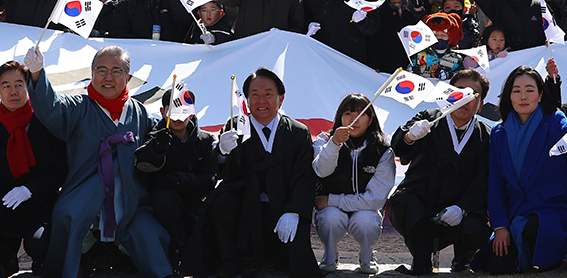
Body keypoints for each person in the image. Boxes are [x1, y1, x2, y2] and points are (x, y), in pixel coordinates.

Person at [24, 43, 172, 278]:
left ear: (128, 76)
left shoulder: (140, 113)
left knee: (149, 233)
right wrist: (37, 73)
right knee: (68, 216)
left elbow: (162, 140)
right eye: (101, 70)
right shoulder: (77, 107)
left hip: (130, 196)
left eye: (116, 70)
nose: (108, 77)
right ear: (92, 74)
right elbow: (50, 107)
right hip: (84, 190)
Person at [194, 68, 321, 278]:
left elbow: (303, 177)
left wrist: (294, 211)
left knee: (293, 264)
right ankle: (229, 260)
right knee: (220, 199)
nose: (261, 100)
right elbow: (226, 175)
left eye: (268, 94)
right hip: (245, 207)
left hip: (283, 208)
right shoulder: (235, 126)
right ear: (247, 99)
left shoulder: (298, 132)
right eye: (254, 94)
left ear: (280, 99)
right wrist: (222, 153)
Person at [0, 60, 67, 278]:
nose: (13, 91)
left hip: (38, 202)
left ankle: (43, 265)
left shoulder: (45, 120)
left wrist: (30, 190)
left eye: (19, 84)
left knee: (39, 245)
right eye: (6, 86)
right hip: (3, 201)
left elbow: (59, 169)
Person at [388, 69, 491, 276]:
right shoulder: (428, 119)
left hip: (460, 208)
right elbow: (399, 146)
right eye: (459, 90)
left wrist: (462, 208)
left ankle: (463, 261)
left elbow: (485, 179)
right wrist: (410, 136)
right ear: (447, 94)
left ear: (480, 105)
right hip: (423, 201)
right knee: (401, 203)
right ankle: (421, 260)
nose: (465, 98)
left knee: (477, 227)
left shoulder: (487, 136)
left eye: (473, 95)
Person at [476, 66, 567, 274]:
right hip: (515, 212)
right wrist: (500, 226)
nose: (523, 96)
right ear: (508, 96)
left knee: (536, 227)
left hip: (549, 209)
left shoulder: (554, 121)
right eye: (516, 90)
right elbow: (495, 183)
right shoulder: (499, 132)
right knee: (497, 265)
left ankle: (554, 257)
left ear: (540, 94)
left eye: (529, 90)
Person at [135, 88, 217, 275]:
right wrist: (156, 149)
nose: (179, 116)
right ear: (163, 112)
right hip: (164, 210)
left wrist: (179, 180)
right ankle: (175, 253)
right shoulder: (154, 137)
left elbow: (209, 179)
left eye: (184, 110)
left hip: (196, 205)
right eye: (173, 110)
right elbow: (143, 165)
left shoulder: (205, 141)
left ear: (193, 112)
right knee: (165, 196)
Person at [312, 93, 395, 274]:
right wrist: (334, 144)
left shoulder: (383, 149)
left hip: (362, 207)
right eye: (348, 113)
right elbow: (321, 171)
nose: (354, 119)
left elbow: (376, 200)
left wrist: (331, 200)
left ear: (370, 119)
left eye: (361, 113)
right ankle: (330, 255)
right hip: (330, 209)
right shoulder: (324, 140)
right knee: (330, 219)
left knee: (366, 222)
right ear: (339, 116)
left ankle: (367, 255)